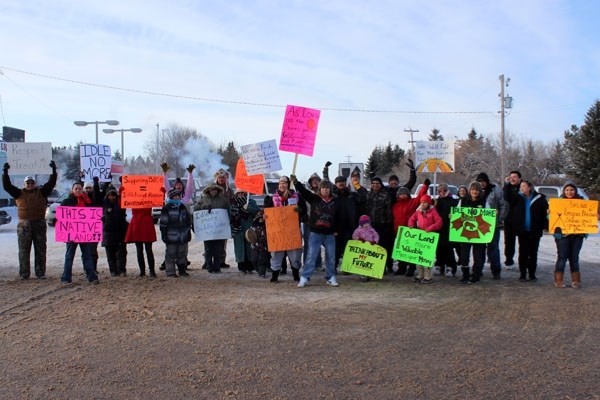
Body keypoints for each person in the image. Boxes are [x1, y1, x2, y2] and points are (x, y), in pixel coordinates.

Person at [2, 161, 57, 279]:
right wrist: (5, 172)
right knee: (23, 250)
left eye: (32, 182)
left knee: (41, 249)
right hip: (24, 225)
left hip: (39, 223)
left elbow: (51, 183)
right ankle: (24, 274)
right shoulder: (18, 193)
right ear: (25, 184)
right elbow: (7, 186)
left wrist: (53, 171)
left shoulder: (42, 192)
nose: (30, 184)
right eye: (28, 182)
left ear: (35, 184)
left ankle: (40, 273)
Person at [292, 176, 340, 288]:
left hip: (329, 234)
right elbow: (303, 192)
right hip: (315, 232)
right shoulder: (314, 199)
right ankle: (305, 277)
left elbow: (339, 217)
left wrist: (336, 230)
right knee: (311, 255)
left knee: (331, 256)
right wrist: (296, 182)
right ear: (320, 189)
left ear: (330, 189)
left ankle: (331, 277)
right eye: (323, 188)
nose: (325, 190)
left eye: (327, 188)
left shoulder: (335, 201)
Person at [504, 180, 548, 282]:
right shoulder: (517, 198)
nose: (521, 188)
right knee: (523, 252)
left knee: (533, 253)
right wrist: (507, 185)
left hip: (535, 231)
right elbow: (507, 198)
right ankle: (522, 274)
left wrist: (545, 225)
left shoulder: (539, 198)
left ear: (529, 187)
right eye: (521, 187)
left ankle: (532, 274)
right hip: (522, 231)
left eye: (524, 186)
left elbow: (545, 213)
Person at [60, 181, 99, 285]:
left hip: (84, 233)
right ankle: (66, 278)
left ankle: (92, 276)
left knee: (87, 255)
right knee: (69, 256)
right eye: (76, 188)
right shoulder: (67, 201)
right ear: (72, 190)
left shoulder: (88, 201)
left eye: (80, 188)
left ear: (83, 190)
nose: (78, 190)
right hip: (71, 233)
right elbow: (61, 217)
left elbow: (94, 214)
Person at [265, 175, 303, 282]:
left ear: (288, 184)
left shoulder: (296, 196)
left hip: (292, 229)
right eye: (280, 182)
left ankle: (296, 274)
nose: (282, 184)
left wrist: (299, 210)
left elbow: (303, 210)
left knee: (295, 254)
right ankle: (275, 275)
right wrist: (264, 215)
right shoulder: (272, 197)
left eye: (284, 182)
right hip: (277, 230)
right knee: (276, 254)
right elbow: (266, 211)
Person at [391, 179, 430, 276]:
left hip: (410, 230)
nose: (403, 195)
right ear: (398, 195)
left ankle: (411, 268)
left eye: (405, 194)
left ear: (408, 194)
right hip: (399, 231)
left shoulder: (413, 202)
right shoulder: (395, 206)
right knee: (401, 250)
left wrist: (425, 186)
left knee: (410, 251)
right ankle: (401, 268)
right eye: (401, 194)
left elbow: (421, 196)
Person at [553, 180, 586, 288]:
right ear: (564, 191)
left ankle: (575, 281)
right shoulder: (558, 202)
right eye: (567, 190)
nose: (569, 192)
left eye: (572, 190)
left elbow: (587, 217)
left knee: (574, 258)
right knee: (562, 257)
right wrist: (549, 213)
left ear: (575, 191)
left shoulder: (582, 203)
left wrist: (595, 216)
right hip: (562, 236)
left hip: (577, 235)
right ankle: (559, 281)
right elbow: (551, 219)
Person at [476, 172, 508, 280]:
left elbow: (503, 204)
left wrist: (500, 219)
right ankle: (478, 269)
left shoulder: (495, 190)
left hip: (493, 224)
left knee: (493, 248)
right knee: (479, 248)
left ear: (487, 181)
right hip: (478, 225)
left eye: (483, 181)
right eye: (479, 181)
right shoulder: (475, 191)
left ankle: (496, 270)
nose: (481, 183)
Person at [194, 183, 230, 274]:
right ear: (208, 191)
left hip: (219, 229)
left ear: (217, 190)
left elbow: (228, 210)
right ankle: (209, 266)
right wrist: (204, 207)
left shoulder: (223, 200)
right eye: (211, 190)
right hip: (207, 229)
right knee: (208, 249)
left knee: (218, 249)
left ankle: (217, 267)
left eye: (215, 189)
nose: (213, 191)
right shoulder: (203, 199)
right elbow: (195, 209)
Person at [407, 195, 442, 283]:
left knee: (427, 257)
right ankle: (420, 274)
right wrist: (411, 225)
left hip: (429, 237)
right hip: (420, 236)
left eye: (425, 202)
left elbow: (439, 222)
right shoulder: (418, 211)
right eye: (421, 202)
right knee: (418, 256)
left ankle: (428, 276)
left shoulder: (433, 211)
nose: (423, 204)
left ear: (429, 202)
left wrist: (430, 228)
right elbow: (412, 218)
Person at [457, 181, 487, 284]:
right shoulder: (463, 201)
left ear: (479, 191)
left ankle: (476, 276)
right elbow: (457, 213)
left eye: (477, 190)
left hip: (479, 234)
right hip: (465, 233)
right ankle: (465, 275)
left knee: (478, 255)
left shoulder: (484, 201)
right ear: (469, 190)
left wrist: (494, 213)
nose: (474, 192)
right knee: (464, 255)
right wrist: (452, 216)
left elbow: (488, 216)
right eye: (473, 189)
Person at [160, 189, 193, 277]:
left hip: (183, 236)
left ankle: (182, 270)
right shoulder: (167, 208)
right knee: (171, 254)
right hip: (171, 236)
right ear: (171, 197)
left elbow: (188, 220)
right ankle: (171, 272)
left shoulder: (182, 207)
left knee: (182, 253)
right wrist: (164, 235)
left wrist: (188, 231)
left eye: (178, 196)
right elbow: (163, 223)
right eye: (175, 196)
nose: (177, 197)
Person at [100, 188, 129, 277]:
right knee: (110, 254)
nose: (112, 197)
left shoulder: (121, 205)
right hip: (108, 233)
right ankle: (113, 270)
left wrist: (122, 187)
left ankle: (122, 270)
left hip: (120, 232)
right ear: (107, 196)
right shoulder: (103, 205)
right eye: (110, 195)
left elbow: (125, 198)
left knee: (121, 253)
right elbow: (96, 195)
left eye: (114, 195)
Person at [230, 190, 259, 274]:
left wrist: (249, 208)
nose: (240, 194)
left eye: (242, 193)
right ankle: (241, 266)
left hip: (248, 227)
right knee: (239, 248)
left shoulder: (251, 201)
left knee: (249, 247)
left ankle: (250, 266)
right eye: (239, 193)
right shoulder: (232, 203)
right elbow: (229, 214)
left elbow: (257, 212)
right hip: (237, 228)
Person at [125, 207, 157, 278]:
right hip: (140, 223)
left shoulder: (139, 200)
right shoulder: (137, 200)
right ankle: (145, 271)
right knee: (141, 250)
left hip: (141, 222)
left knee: (146, 250)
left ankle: (149, 271)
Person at [434, 183, 458, 277]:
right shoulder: (436, 201)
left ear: (448, 190)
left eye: (444, 190)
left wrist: (454, 216)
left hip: (449, 229)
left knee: (448, 249)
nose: (442, 193)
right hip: (438, 228)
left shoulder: (453, 201)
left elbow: (459, 213)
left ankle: (451, 267)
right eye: (439, 191)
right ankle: (439, 265)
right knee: (439, 248)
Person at [503, 170, 523, 268]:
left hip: (521, 220)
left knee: (523, 243)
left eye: (514, 177)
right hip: (509, 219)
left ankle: (523, 262)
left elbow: (514, 200)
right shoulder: (507, 188)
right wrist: (506, 185)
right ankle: (509, 260)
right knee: (509, 241)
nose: (512, 179)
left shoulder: (523, 188)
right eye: (511, 177)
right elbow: (506, 198)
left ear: (519, 178)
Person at [214, 168, 233, 269]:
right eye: (220, 178)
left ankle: (221, 260)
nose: (221, 179)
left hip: (225, 217)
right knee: (211, 239)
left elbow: (233, 201)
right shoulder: (212, 189)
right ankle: (208, 260)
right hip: (213, 218)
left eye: (223, 178)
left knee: (222, 240)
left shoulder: (229, 190)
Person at [351, 214, 380, 282]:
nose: (366, 225)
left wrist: (375, 241)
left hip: (370, 248)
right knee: (362, 261)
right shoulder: (358, 230)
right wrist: (359, 239)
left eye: (367, 223)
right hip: (362, 249)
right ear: (361, 224)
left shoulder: (372, 230)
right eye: (364, 223)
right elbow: (354, 236)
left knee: (370, 261)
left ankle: (370, 274)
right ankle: (362, 274)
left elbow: (376, 236)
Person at [248, 210, 270, 278]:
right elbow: (249, 236)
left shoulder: (267, 228)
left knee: (262, 260)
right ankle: (257, 269)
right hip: (254, 247)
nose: (261, 220)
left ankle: (262, 272)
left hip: (263, 247)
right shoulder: (253, 228)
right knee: (253, 259)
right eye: (259, 219)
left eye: (262, 219)